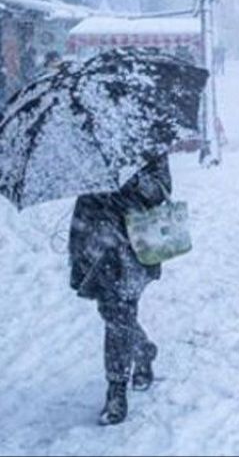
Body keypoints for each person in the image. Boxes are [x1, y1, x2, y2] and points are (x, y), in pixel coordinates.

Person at [68, 154, 172, 426]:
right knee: (111, 312)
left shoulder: (143, 140)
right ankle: (143, 350)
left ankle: (116, 389)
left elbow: (160, 190)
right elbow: (78, 188)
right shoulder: (85, 142)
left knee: (119, 316)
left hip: (133, 243)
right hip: (95, 240)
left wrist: (129, 179)